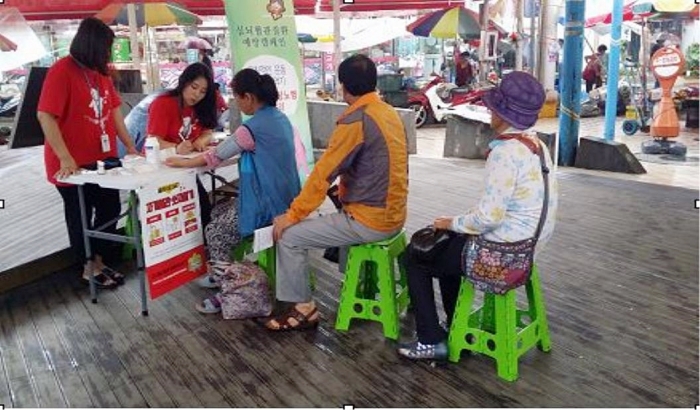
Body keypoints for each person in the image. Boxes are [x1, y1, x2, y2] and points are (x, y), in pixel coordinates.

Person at [397, 71, 558, 360]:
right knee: (449, 245)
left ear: (503, 113)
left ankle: (431, 340)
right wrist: (457, 226)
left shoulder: (506, 152)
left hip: (503, 258)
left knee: (415, 256)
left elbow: (489, 218)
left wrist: (449, 223)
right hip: (528, 249)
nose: (488, 110)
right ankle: (457, 325)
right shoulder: (538, 146)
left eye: (493, 107)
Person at [261, 54, 409, 331]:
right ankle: (356, 284)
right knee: (334, 215)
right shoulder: (389, 113)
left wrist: (292, 215)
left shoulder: (356, 120)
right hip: (395, 214)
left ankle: (304, 308)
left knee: (289, 236)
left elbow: (322, 174)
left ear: (343, 85)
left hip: (371, 220)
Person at [164, 68, 304, 314]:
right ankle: (222, 272)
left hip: (267, 205)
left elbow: (216, 156)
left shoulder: (252, 127)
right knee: (219, 212)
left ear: (248, 97)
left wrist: (182, 162)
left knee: (215, 230)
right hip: (288, 200)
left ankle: (227, 290)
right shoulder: (279, 118)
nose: (236, 104)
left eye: (237, 98)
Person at [37, 17, 139, 289]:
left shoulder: (100, 72)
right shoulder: (62, 71)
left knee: (108, 208)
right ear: (92, 46)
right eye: (106, 48)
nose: (108, 54)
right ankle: (87, 266)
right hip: (71, 164)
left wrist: (129, 146)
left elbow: (115, 110)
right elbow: (45, 115)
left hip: (102, 158)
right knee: (80, 213)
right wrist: (65, 157)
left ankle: (100, 260)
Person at [146, 62, 218, 227]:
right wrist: (175, 148)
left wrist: (201, 140)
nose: (197, 94)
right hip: (163, 170)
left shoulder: (201, 107)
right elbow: (152, 140)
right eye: (194, 87)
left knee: (202, 209)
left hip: (186, 169)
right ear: (184, 81)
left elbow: (208, 132)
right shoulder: (163, 103)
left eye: (202, 91)